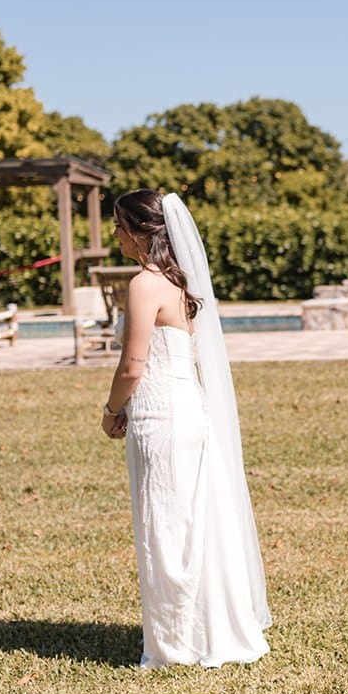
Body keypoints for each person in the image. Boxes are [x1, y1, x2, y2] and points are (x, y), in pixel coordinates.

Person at [101, 190, 272, 667]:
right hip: (188, 411)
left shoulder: (143, 284)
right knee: (194, 525)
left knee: (165, 531)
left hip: (160, 416)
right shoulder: (179, 283)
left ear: (139, 230)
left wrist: (111, 409)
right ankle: (207, 631)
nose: (114, 234)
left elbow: (133, 366)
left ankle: (176, 645)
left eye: (118, 225)